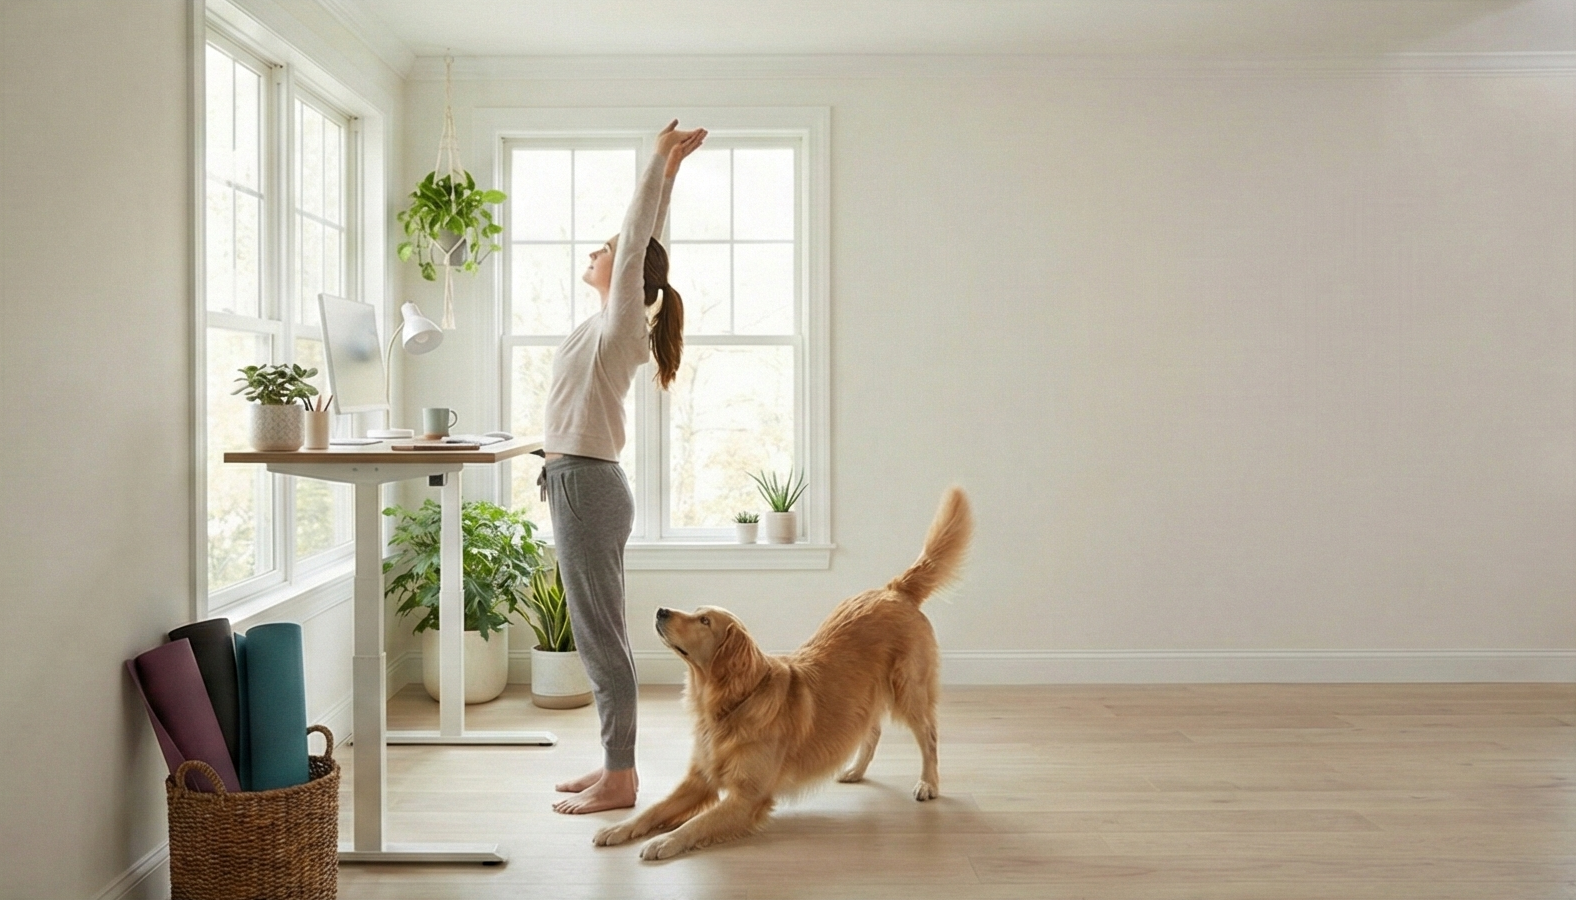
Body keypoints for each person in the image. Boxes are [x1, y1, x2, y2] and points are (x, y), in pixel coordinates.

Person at [541, 120, 706, 814]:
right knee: (600, 631)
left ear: (627, 275)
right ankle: (617, 767)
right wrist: (667, 179)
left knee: (599, 636)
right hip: (582, 484)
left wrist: (655, 158)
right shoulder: (606, 324)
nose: (597, 251)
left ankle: (620, 776)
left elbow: (639, 242)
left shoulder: (622, 325)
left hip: (586, 487)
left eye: (605, 250)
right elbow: (648, 241)